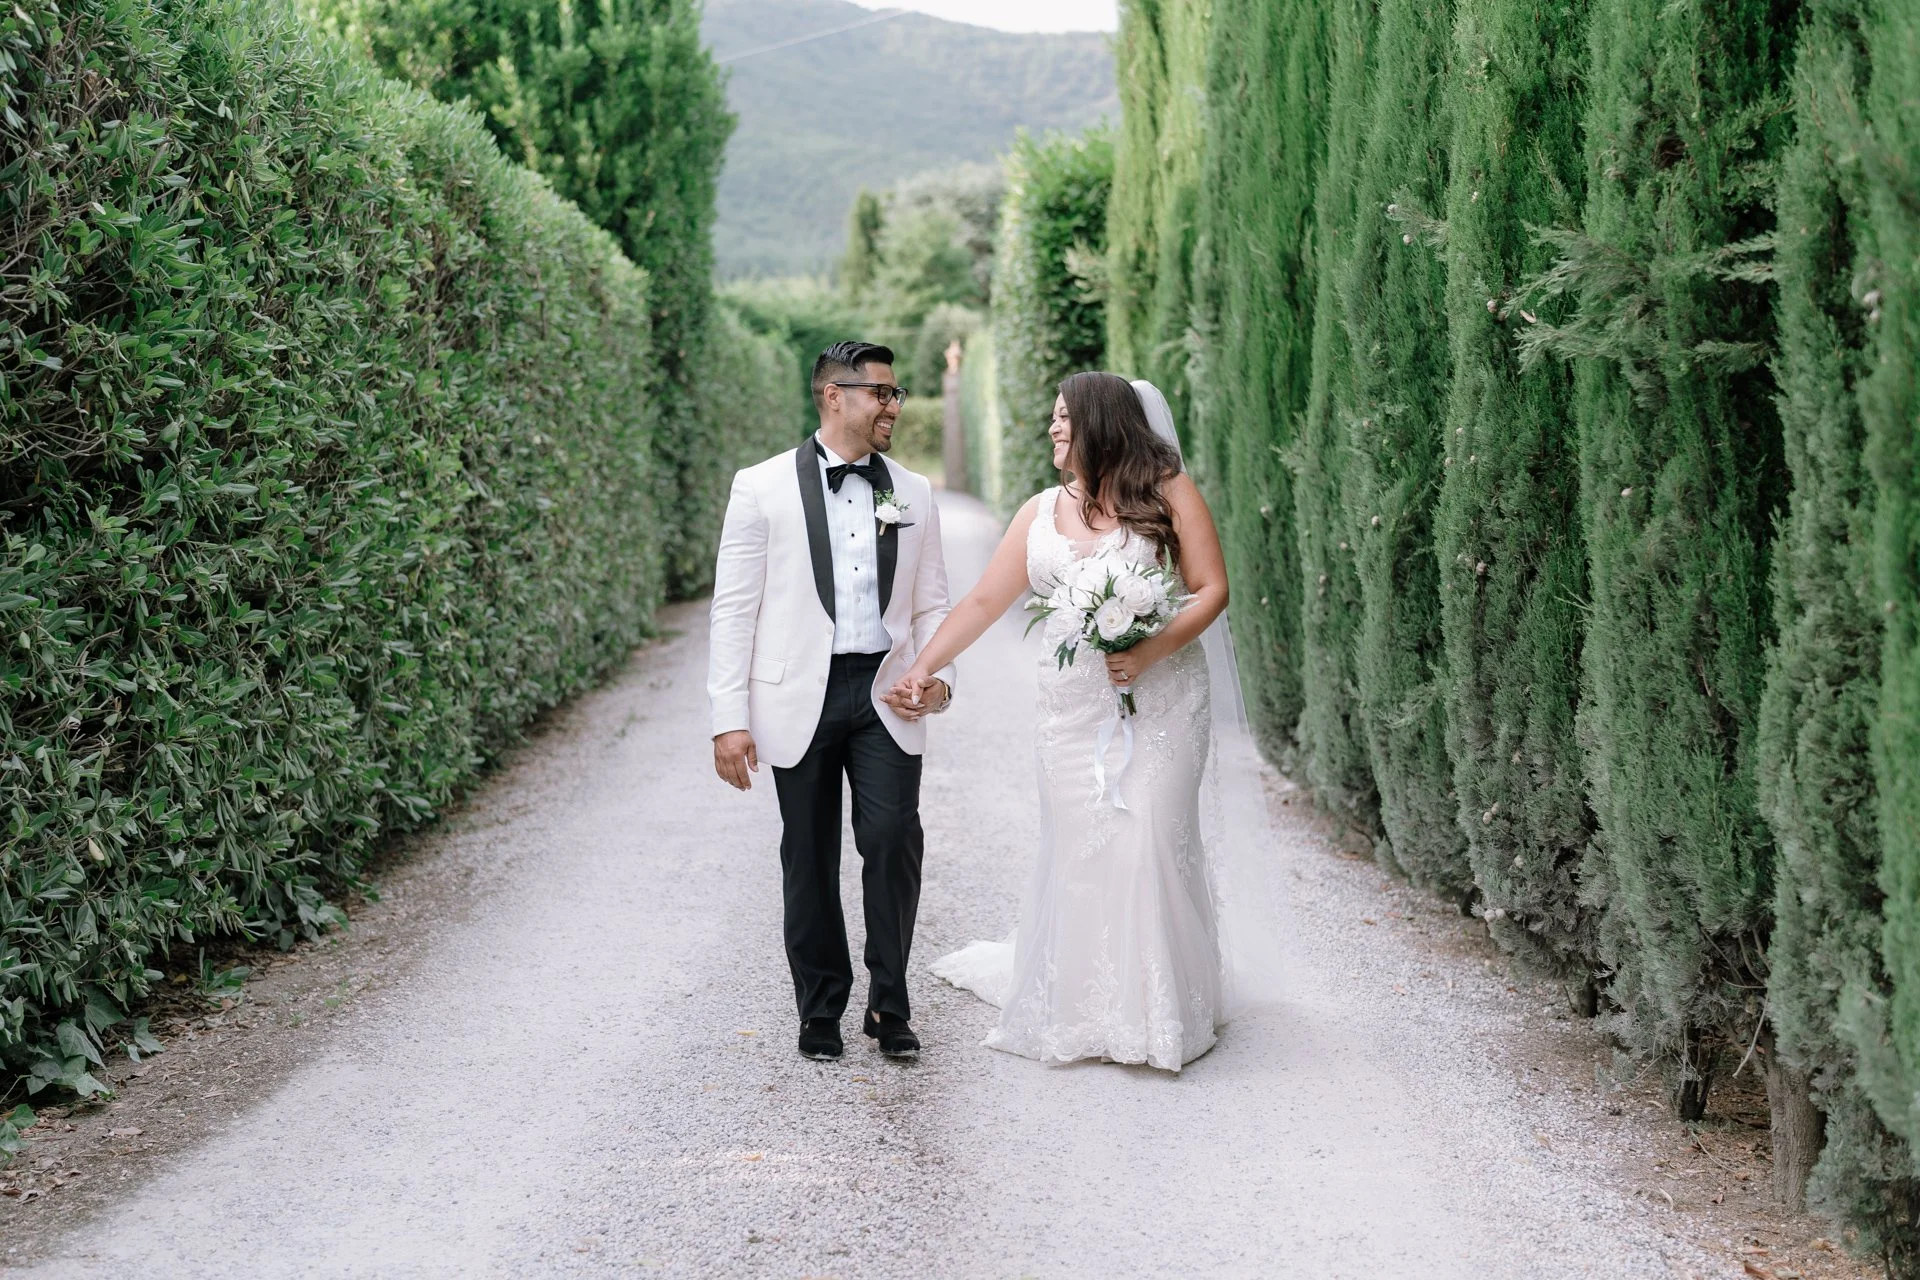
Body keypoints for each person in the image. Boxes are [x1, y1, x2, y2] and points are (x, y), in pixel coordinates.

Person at [894, 372, 1232, 1072]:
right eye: (1051, 418)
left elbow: (1210, 589)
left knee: (1148, 843)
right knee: (1084, 851)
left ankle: (1160, 1015)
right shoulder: (1039, 512)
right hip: (1072, 714)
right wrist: (922, 667)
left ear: (1103, 424)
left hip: (1164, 701)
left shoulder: (1167, 491)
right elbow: (985, 603)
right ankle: (1086, 1009)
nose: (1053, 429)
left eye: (1064, 418)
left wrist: (1146, 650)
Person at [707, 341, 956, 1062]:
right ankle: (820, 1007)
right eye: (881, 392)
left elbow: (934, 602)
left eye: (897, 392)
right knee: (808, 856)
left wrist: (938, 680)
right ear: (833, 396)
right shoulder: (760, 488)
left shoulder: (912, 491)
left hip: (886, 693)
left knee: (891, 841)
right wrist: (729, 719)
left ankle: (889, 1004)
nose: (893, 405)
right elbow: (734, 609)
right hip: (798, 699)